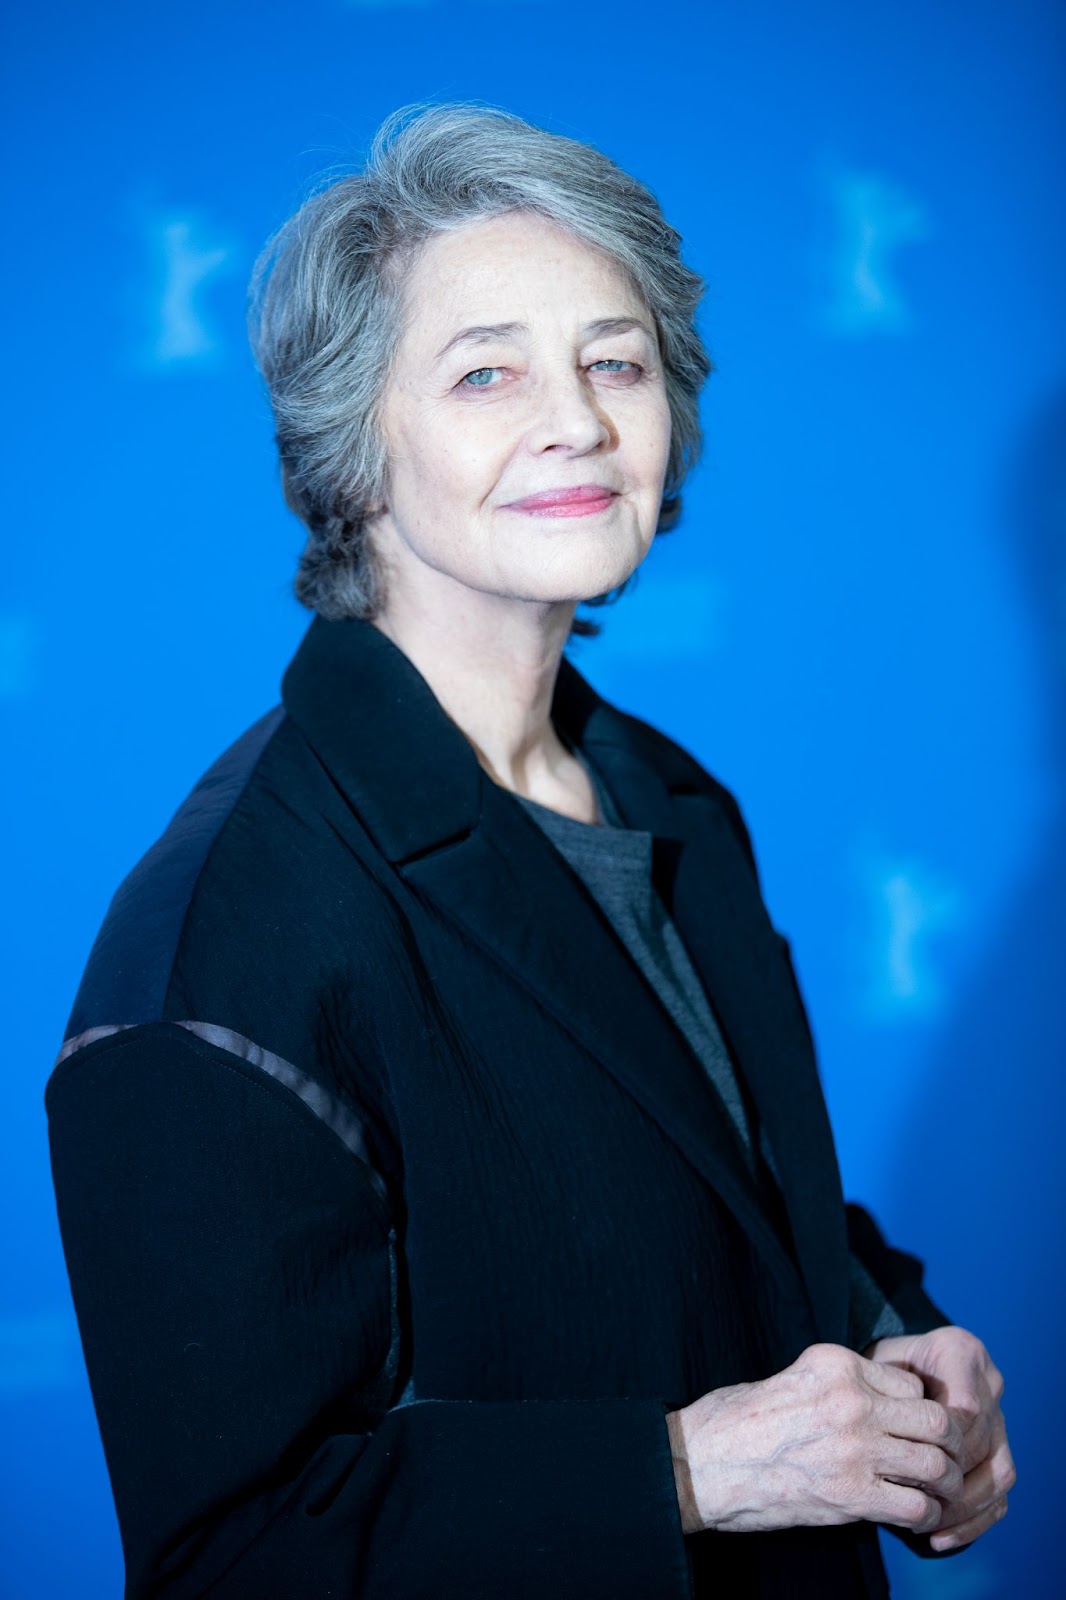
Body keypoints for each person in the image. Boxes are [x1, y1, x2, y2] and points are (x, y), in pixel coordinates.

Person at [45, 102, 1014, 1599]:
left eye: (612, 361)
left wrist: (894, 1345)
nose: (575, 419)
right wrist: (685, 1473)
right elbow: (233, 1553)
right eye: (486, 371)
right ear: (353, 446)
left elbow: (718, 1195)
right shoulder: (224, 936)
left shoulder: (666, 794)